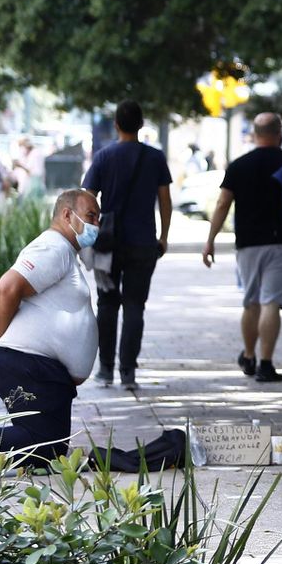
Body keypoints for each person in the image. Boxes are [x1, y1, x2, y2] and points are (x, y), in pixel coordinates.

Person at [0, 189, 100, 461]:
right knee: (42, 443)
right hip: (28, 366)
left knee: (51, 445)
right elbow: (7, 290)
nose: (96, 225)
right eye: (91, 216)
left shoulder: (63, 250)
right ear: (67, 214)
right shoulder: (53, 247)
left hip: (45, 373)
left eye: (98, 219)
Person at [203, 112, 282, 384]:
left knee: (252, 301)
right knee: (272, 303)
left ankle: (249, 355)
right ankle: (266, 364)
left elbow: (222, 204)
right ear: (280, 133)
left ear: (254, 134)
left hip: (249, 243)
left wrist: (211, 240)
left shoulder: (240, 165)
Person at [82, 101, 172, 390]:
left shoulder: (104, 156)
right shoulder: (155, 158)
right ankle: (128, 372)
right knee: (135, 306)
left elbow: (87, 198)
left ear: (117, 125)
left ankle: (105, 369)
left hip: (108, 245)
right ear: (141, 124)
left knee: (107, 304)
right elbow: (165, 200)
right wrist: (164, 236)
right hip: (144, 242)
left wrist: (92, 230)